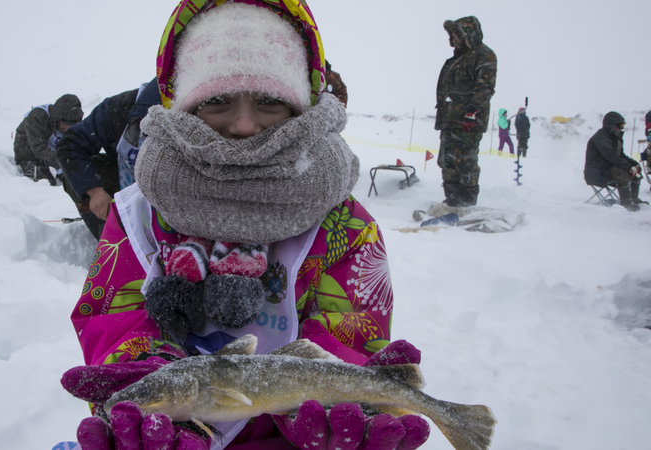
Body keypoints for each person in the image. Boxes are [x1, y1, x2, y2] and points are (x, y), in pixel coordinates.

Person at [61, 2, 432, 450]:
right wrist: (149, 381)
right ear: (184, 104)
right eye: (217, 100)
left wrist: (335, 399)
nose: (243, 124)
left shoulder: (346, 226)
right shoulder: (139, 214)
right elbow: (114, 317)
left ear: (301, 106)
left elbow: (348, 329)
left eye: (270, 100)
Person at [56, 80, 161, 239]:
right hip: (130, 187)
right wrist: (95, 191)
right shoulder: (118, 109)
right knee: (77, 173)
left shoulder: (203, 109)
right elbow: (70, 145)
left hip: (181, 198)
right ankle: (114, 240)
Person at [434, 16, 497, 207]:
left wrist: (472, 112)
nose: (453, 38)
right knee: (448, 161)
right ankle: (452, 199)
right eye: (452, 35)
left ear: (468, 34)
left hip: (467, 120)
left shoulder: (484, 55)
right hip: (450, 119)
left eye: (457, 34)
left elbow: (485, 87)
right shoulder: (458, 58)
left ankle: (467, 201)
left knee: (465, 161)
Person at [13, 94, 83, 186]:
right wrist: (65, 162)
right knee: (44, 183)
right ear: (58, 119)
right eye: (65, 124)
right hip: (29, 151)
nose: (67, 128)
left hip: (54, 154)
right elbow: (39, 150)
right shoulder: (37, 117)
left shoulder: (71, 124)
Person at [584, 112, 646, 211]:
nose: (621, 128)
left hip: (607, 170)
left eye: (623, 126)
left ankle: (634, 199)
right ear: (611, 125)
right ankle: (626, 203)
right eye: (620, 125)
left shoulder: (614, 138)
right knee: (624, 173)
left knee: (636, 175)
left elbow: (621, 156)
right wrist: (628, 167)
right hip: (597, 172)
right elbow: (611, 156)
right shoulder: (601, 138)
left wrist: (635, 164)